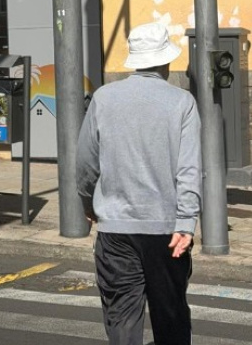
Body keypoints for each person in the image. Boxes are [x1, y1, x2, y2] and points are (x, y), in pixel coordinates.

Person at [76, 22, 202, 345]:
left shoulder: (103, 99)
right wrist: (186, 222)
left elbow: (85, 166)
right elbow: (189, 170)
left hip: (116, 231)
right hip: (167, 232)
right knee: (171, 321)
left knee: (122, 323)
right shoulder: (182, 103)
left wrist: (89, 205)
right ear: (166, 62)